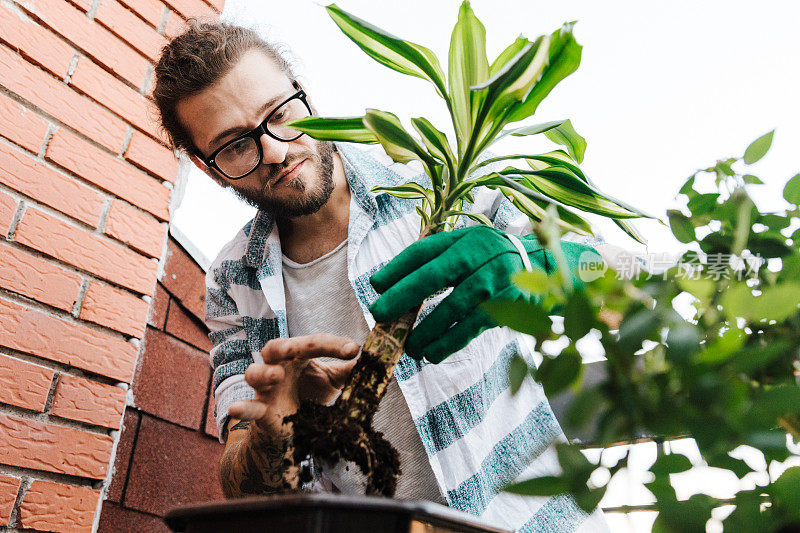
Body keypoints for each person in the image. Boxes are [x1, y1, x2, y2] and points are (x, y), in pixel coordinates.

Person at [152, 20, 610, 533]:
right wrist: (274, 427)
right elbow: (243, 481)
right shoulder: (234, 281)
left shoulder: (447, 194)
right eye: (236, 145)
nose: (276, 151)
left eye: (280, 114)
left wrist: (531, 264)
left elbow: (620, 281)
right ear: (205, 164)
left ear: (304, 94)